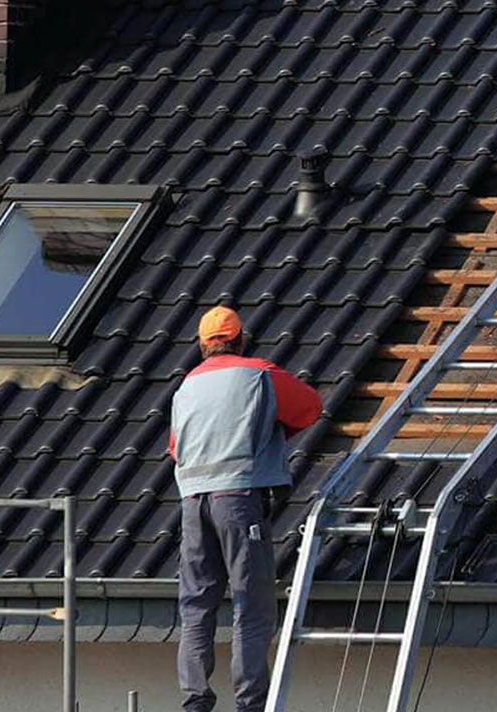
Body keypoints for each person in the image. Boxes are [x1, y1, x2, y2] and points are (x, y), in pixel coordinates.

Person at [169, 305, 324, 712]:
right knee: (251, 605)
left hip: (191, 502)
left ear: (202, 346)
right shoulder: (258, 373)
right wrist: (271, 430)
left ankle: (195, 701)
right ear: (240, 338)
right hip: (237, 501)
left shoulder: (185, 388)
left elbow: (174, 450)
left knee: (197, 604)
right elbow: (309, 407)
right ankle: (250, 704)